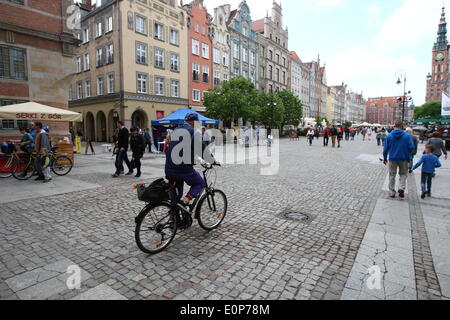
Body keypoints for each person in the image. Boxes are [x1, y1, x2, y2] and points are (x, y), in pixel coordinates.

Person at [165, 113, 215, 208]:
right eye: (197, 122)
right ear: (193, 122)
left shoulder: (175, 130)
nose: (198, 124)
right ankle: (186, 200)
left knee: (176, 196)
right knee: (200, 183)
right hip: (182, 169)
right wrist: (212, 160)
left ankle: (173, 219)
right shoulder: (193, 131)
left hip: (169, 168)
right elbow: (201, 148)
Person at [383, 121, 414, 198]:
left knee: (392, 175)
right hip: (404, 158)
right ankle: (401, 187)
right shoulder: (407, 135)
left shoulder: (389, 136)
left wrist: (385, 158)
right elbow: (411, 147)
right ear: (402, 126)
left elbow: (385, 149)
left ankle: (391, 192)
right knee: (403, 174)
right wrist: (408, 155)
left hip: (392, 158)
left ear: (394, 126)